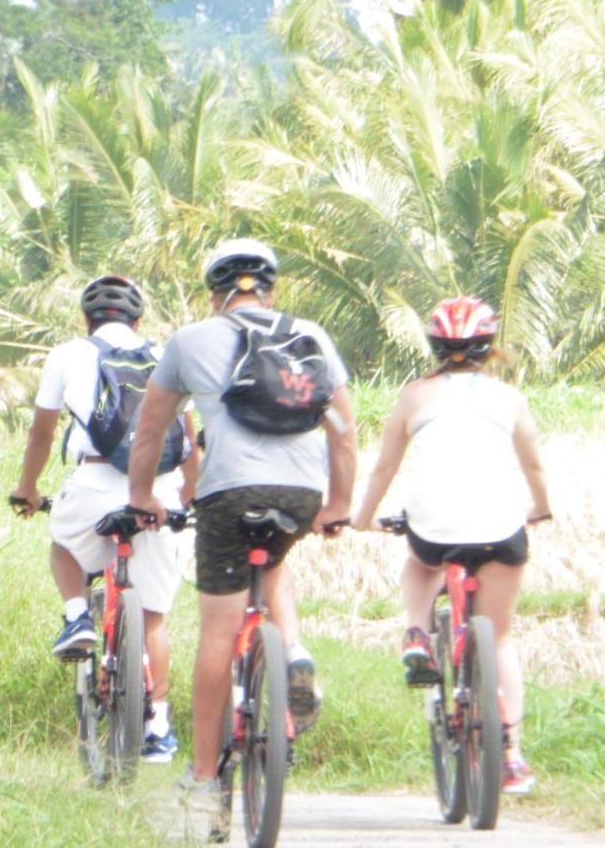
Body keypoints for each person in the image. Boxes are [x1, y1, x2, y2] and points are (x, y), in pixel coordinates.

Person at [125, 238, 357, 795]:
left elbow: (151, 430)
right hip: (301, 492)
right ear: (272, 290)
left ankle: (204, 773)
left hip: (229, 493)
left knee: (219, 633)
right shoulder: (312, 335)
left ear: (214, 295)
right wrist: (338, 505)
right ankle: (293, 650)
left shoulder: (189, 341)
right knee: (274, 554)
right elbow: (345, 433)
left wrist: (142, 496)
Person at [351, 295, 551, 795]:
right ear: (489, 346)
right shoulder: (509, 399)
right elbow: (533, 466)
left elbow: (384, 466)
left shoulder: (415, 395)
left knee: (421, 564)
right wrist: (540, 506)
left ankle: (417, 634)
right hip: (500, 526)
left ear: (436, 346)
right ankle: (510, 755)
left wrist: (362, 516)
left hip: (435, 525)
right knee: (500, 637)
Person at [11, 275, 198, 763]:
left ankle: (77, 618)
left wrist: (28, 489)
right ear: (139, 321)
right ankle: (157, 724)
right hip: (158, 493)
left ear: (86, 319)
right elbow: (189, 441)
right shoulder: (166, 355)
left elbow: (42, 435)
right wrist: (189, 498)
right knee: (154, 617)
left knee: (63, 544)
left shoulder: (68, 354)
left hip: (93, 483)